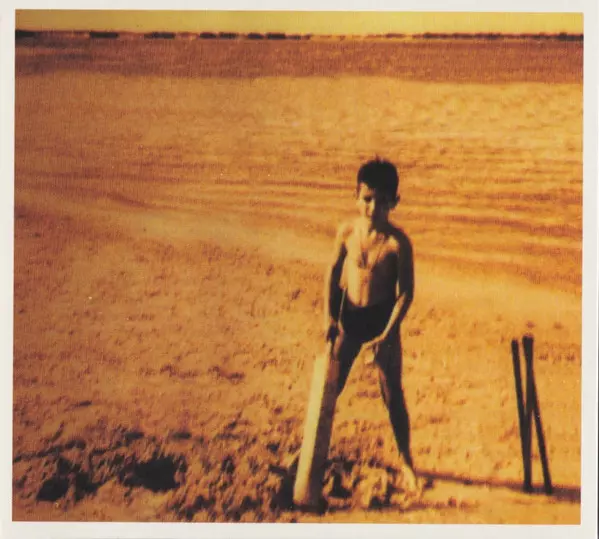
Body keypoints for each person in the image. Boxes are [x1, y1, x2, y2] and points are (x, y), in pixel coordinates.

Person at [324, 157, 419, 492]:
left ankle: (407, 462)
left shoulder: (397, 243)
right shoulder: (347, 232)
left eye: (381, 201)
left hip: (382, 322)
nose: (373, 208)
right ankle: (315, 450)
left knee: (392, 394)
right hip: (350, 319)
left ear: (394, 202)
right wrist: (329, 317)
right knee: (330, 387)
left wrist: (387, 335)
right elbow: (333, 273)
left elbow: (405, 294)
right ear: (356, 197)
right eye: (367, 199)